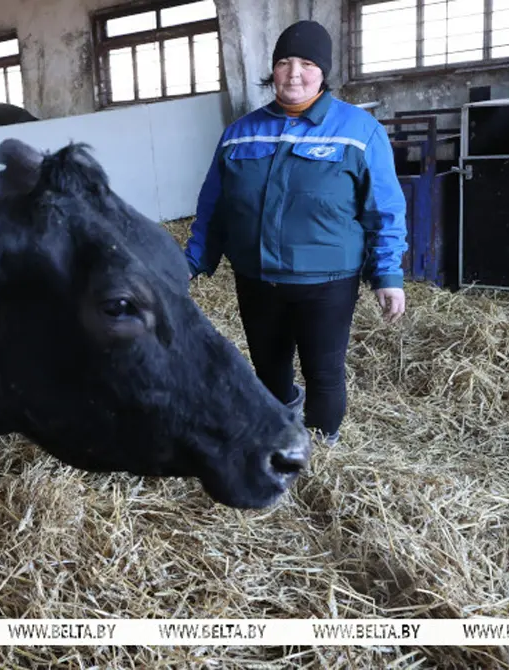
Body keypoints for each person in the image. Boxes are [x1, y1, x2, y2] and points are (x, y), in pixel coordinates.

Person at [183, 19, 408, 447]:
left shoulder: (359, 131)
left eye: (307, 63)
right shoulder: (239, 134)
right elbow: (215, 207)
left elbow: (384, 209)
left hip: (326, 282)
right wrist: (190, 263)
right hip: (256, 278)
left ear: (323, 72)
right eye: (284, 62)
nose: (294, 73)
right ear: (273, 70)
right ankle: (279, 439)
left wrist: (388, 275)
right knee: (268, 371)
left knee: (324, 373)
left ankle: (322, 450)